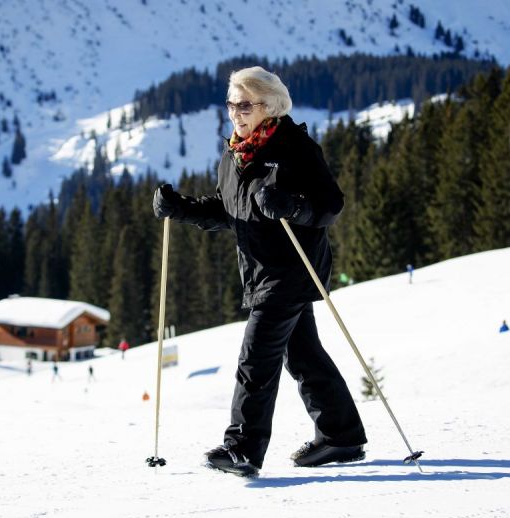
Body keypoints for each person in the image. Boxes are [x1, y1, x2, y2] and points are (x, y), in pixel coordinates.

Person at [152, 66, 366, 477]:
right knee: (302, 354)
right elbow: (226, 210)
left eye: (245, 104)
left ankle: (243, 448)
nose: (235, 112)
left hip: (292, 268)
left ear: (269, 106)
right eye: (231, 103)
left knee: (257, 356)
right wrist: (179, 208)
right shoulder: (235, 153)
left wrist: (293, 205)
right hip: (260, 270)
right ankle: (341, 435)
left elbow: (330, 204)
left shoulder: (294, 146)